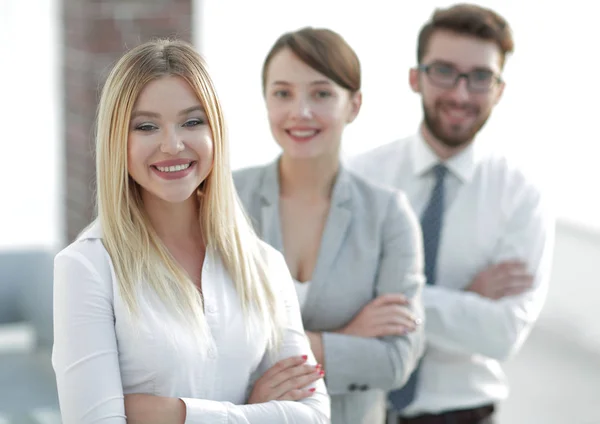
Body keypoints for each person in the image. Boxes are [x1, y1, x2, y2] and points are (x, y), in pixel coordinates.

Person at [51, 39, 330, 424]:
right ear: (118, 140)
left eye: (192, 121)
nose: (173, 144)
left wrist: (176, 414)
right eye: (146, 126)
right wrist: (255, 409)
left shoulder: (263, 263)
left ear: (216, 130)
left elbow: (314, 416)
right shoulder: (87, 267)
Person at [348, 4, 555, 424]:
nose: (461, 94)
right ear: (415, 77)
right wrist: (465, 298)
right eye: (444, 71)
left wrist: (385, 292)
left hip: (465, 415)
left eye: (480, 78)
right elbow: (331, 301)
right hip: (360, 408)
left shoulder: (522, 195)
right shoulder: (359, 178)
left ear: (499, 89)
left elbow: (503, 334)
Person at [233, 27, 426, 424]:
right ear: (266, 100)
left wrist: (288, 349)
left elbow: (395, 360)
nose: (300, 111)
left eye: (321, 93)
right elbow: (203, 338)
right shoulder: (226, 199)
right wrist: (348, 340)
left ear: (353, 105)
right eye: (282, 93)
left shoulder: (389, 214)